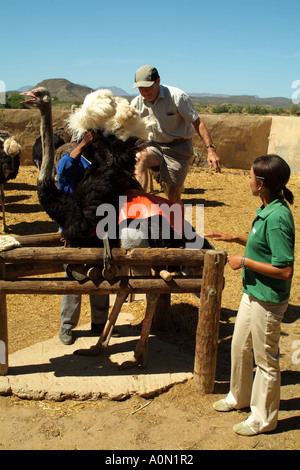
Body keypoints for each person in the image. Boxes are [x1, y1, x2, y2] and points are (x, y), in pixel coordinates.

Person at [205, 154, 295, 436]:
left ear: (262, 183)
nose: (248, 180)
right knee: (239, 347)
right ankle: (239, 397)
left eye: (250, 176)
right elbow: (262, 244)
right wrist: (236, 238)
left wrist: (243, 261)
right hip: (252, 292)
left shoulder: (278, 217)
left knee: (265, 360)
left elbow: (285, 270)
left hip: (267, 299)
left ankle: (263, 419)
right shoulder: (267, 208)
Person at [131, 65, 221, 204]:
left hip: (178, 148)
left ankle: (176, 224)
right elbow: (130, 129)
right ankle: (140, 205)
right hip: (154, 145)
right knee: (140, 159)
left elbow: (198, 123)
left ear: (158, 81)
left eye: (148, 87)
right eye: (140, 88)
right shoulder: (136, 103)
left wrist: (211, 150)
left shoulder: (177, 97)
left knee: (173, 196)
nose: (144, 91)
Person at [57, 131, 109, 345]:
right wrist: (84, 143)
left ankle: (99, 322)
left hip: (98, 231)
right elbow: (64, 169)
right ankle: (68, 325)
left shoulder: (100, 166)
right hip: (75, 232)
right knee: (73, 279)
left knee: (100, 277)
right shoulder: (72, 164)